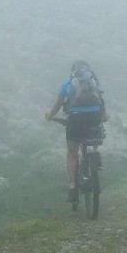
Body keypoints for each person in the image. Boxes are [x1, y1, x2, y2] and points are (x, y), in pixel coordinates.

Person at [45, 60, 107, 201]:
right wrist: (104, 116)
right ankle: (95, 155)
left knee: (72, 152)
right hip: (94, 117)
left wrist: (50, 115)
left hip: (75, 119)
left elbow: (58, 105)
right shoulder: (94, 81)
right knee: (93, 137)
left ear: (74, 70)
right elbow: (101, 100)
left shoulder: (69, 82)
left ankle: (72, 187)